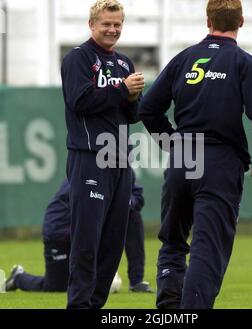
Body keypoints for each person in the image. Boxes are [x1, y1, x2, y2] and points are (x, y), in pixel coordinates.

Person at [138, 0, 252, 309]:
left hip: (182, 158)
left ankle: (169, 310)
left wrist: (173, 144)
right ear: (241, 21)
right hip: (219, 161)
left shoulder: (184, 59)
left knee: (173, 241)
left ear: (207, 20)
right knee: (207, 245)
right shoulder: (244, 63)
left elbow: (147, 108)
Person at [61, 0, 145, 308]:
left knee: (113, 244)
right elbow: (79, 100)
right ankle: (79, 305)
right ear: (92, 24)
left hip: (120, 160)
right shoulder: (77, 59)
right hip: (90, 157)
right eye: (106, 24)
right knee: (87, 241)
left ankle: (95, 305)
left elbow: (132, 115)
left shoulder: (125, 64)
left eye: (117, 24)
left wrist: (134, 96)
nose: (112, 29)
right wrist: (122, 90)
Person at [5, 174, 153, 293]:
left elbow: (137, 196)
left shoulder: (121, 168)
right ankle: (18, 277)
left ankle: (136, 281)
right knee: (56, 287)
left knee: (131, 214)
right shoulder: (86, 172)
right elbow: (86, 208)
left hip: (91, 229)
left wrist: (125, 203)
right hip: (61, 232)